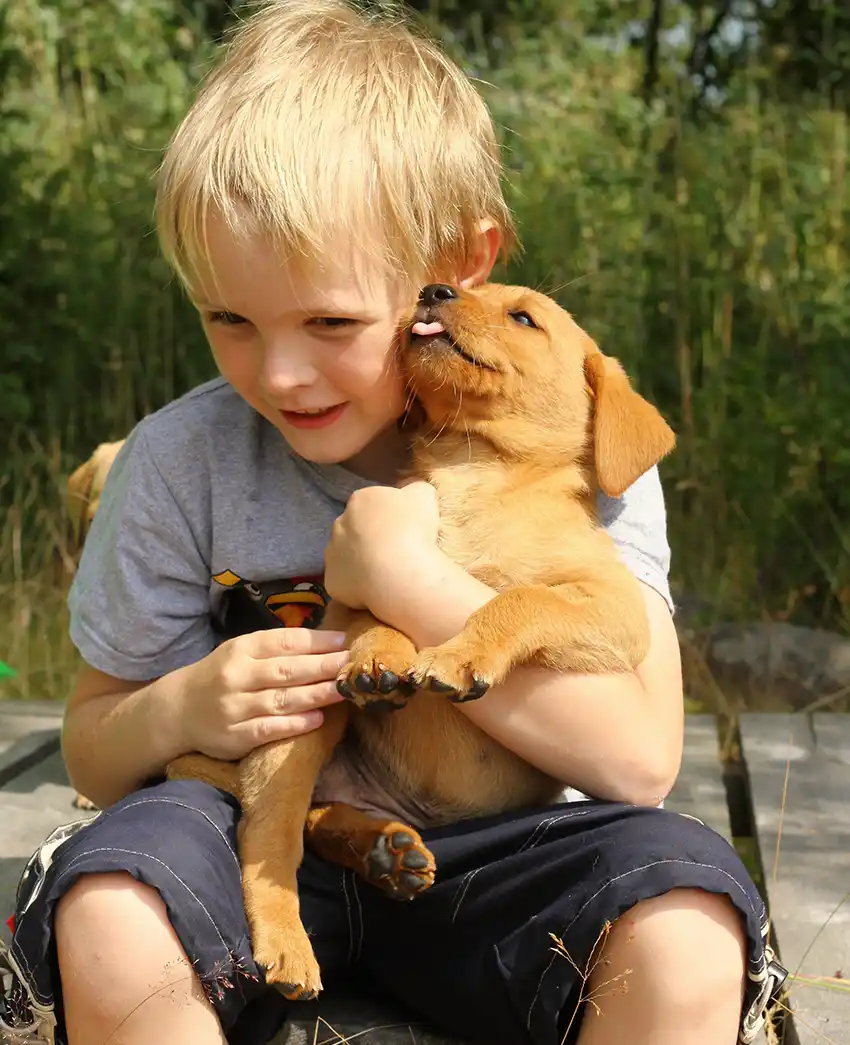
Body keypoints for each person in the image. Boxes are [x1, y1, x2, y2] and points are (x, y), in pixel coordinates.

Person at [0, 2, 787, 1044]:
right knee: (112, 908)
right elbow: (95, 750)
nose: (278, 373)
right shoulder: (179, 460)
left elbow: (638, 763)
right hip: (250, 835)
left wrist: (406, 579)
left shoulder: (568, 441)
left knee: (688, 922)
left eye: (330, 322)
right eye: (227, 317)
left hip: (499, 860)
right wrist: (185, 703)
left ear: (458, 268)